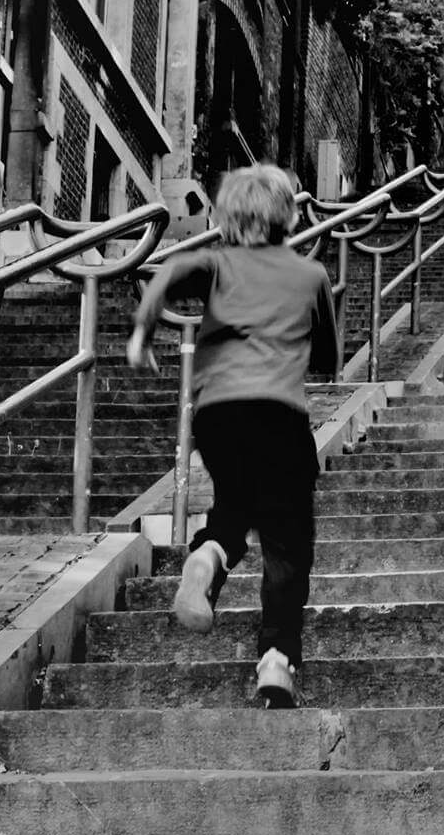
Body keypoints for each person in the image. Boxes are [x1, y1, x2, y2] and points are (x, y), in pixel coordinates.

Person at [127, 166, 339, 709]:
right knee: (288, 544)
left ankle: (207, 557)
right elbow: (329, 359)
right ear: (287, 215)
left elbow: (170, 272)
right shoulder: (310, 274)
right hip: (280, 416)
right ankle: (276, 659)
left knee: (234, 508)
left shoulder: (217, 263)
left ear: (223, 218)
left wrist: (143, 333)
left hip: (218, 417)